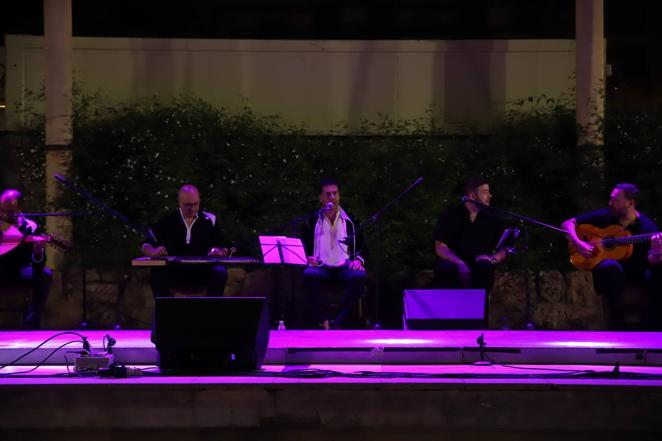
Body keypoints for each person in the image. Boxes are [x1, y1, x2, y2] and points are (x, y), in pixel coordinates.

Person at [562, 183, 662, 329]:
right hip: (611, 272)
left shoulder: (647, 227)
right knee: (611, 267)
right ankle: (617, 328)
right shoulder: (605, 216)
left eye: (615, 200)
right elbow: (568, 223)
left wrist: (658, 252)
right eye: (611, 199)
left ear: (630, 203)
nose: (610, 203)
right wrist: (578, 243)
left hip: (637, 273)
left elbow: (652, 260)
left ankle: (653, 327)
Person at [299, 178, 366, 329]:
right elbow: (303, 245)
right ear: (321, 198)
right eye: (328, 194)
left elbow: (362, 245)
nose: (332, 198)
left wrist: (358, 260)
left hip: (344, 265)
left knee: (359, 276)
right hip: (320, 265)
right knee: (309, 275)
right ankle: (324, 320)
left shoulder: (351, 220)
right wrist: (307, 258)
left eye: (335, 194)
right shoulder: (311, 221)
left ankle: (339, 320)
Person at [142, 184, 229, 297]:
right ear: (179, 203)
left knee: (220, 273)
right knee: (157, 275)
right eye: (188, 205)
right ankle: (166, 311)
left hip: (203, 271)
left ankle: (211, 312)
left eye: (196, 204)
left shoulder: (210, 220)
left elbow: (224, 247)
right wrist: (154, 252)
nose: (193, 208)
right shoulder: (167, 220)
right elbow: (145, 244)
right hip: (175, 271)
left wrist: (219, 251)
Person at [432, 177, 509, 292]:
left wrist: (492, 259)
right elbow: (440, 247)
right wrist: (459, 262)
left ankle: (480, 307)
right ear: (472, 196)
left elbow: (505, 248)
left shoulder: (492, 219)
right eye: (485, 192)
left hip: (479, 265)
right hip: (454, 263)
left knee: (485, 267)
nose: (490, 196)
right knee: (447, 269)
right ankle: (449, 307)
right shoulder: (450, 215)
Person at [0, 189, 53, 329]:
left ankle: (30, 323)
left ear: (19, 209)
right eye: (1, 210)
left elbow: (37, 263)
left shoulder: (31, 226)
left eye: (9, 212)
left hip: (20, 270)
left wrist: (38, 252)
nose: (4, 215)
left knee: (45, 274)